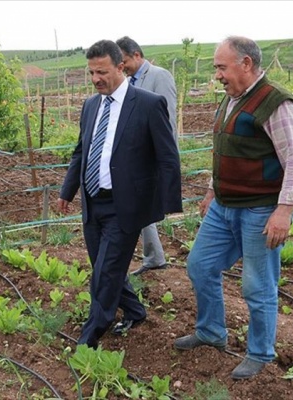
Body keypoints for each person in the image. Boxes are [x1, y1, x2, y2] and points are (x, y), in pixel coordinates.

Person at [174, 36, 293, 380]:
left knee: (257, 285)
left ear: (246, 64)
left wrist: (284, 210)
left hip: (260, 211)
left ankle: (260, 352)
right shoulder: (232, 99)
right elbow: (225, 150)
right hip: (224, 206)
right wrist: (211, 191)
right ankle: (211, 332)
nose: (217, 75)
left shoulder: (275, 103)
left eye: (222, 67)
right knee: (200, 266)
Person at [57, 40, 182, 349]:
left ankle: (90, 335)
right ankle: (136, 310)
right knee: (104, 266)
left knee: (105, 274)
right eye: (91, 73)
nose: (96, 79)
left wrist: (168, 202)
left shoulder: (148, 104)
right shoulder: (90, 105)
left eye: (102, 72)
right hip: (92, 201)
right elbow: (81, 152)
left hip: (124, 206)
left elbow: (168, 156)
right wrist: (68, 190)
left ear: (120, 67)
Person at [116, 36, 178, 276]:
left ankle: (153, 257)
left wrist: (164, 155)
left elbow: (168, 117)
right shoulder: (129, 80)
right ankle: (153, 257)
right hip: (134, 154)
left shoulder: (159, 76)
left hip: (152, 153)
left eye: (124, 61)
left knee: (142, 204)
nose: (122, 67)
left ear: (137, 55)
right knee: (137, 203)